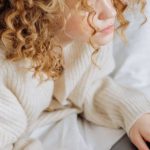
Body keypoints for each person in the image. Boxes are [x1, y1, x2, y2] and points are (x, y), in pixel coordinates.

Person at [0, 0, 150, 150]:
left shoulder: (89, 36)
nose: (111, 12)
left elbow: (87, 86)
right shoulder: (7, 70)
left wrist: (133, 112)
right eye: (88, 4)